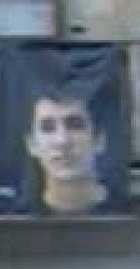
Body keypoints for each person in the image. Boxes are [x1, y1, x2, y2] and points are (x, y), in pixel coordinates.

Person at [25, 87, 109, 216]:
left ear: (99, 140)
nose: (62, 141)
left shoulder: (126, 211)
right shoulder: (14, 216)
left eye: (75, 125)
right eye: (48, 128)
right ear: (31, 145)